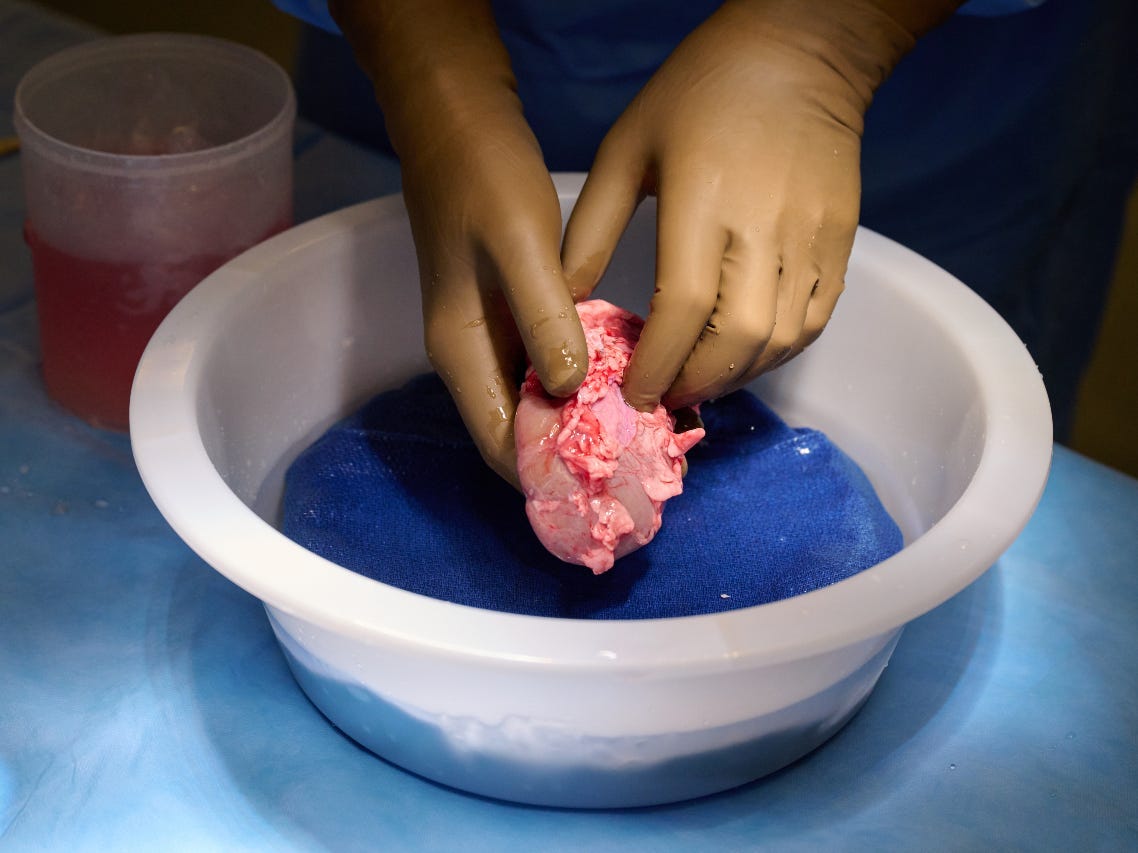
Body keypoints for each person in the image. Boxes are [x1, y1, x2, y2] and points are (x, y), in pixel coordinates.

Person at [276, 0, 1138, 483]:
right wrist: (433, 80)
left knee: (938, 429)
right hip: (476, 43)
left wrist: (833, 36)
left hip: (940, 108)